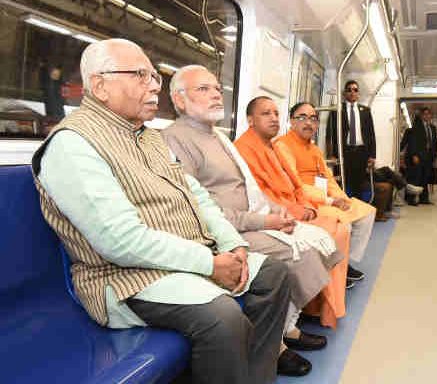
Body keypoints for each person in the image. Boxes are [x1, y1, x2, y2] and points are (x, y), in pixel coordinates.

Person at [31, 39, 290, 384]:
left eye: (154, 75)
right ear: (99, 86)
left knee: (274, 276)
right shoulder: (72, 144)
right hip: (125, 279)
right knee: (223, 318)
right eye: (141, 75)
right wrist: (210, 264)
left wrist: (233, 245)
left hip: (187, 259)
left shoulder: (149, 137)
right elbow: (119, 242)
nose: (155, 85)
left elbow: (195, 194)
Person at [162, 66, 343, 376]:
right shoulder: (176, 139)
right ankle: (278, 341)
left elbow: (252, 190)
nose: (216, 93)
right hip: (226, 229)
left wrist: (277, 212)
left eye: (217, 88)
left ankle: (282, 329)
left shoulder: (218, 136)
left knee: (321, 244)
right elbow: (199, 209)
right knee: (299, 257)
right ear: (179, 101)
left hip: (252, 219)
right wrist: (265, 221)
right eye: (203, 89)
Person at [235, 96, 350, 327]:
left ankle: (322, 306)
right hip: (278, 215)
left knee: (342, 227)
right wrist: (298, 210)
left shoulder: (272, 146)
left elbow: (295, 185)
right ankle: (315, 310)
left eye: (276, 113)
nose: (274, 118)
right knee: (333, 234)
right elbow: (264, 196)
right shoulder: (245, 149)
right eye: (266, 113)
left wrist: (312, 203)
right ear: (250, 120)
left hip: (299, 206)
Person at [275, 101, 377, 286]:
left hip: (325, 198)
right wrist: (330, 201)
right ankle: (337, 268)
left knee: (367, 212)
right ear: (291, 121)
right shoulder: (283, 145)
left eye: (313, 119)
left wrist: (342, 198)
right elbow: (295, 185)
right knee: (343, 223)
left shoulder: (314, 149)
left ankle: (345, 263)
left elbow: (328, 178)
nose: (308, 123)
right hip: (305, 201)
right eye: (302, 117)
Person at [326, 80, 376, 197]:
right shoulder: (337, 110)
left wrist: (372, 155)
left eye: (355, 90)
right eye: (349, 90)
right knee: (343, 183)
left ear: (358, 93)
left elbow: (371, 134)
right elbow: (329, 134)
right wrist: (331, 154)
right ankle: (345, 211)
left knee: (359, 185)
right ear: (345, 93)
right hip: (344, 152)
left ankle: (357, 209)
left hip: (361, 152)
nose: (352, 92)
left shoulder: (366, 111)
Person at [404, 108, 437, 205]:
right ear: (422, 116)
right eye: (425, 114)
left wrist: (435, 157)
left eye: (429, 114)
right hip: (418, 156)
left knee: (425, 178)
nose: (427, 116)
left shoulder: (433, 128)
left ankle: (424, 199)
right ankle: (411, 199)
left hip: (428, 157)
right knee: (415, 178)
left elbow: (434, 143)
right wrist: (414, 155)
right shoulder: (416, 127)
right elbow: (413, 142)